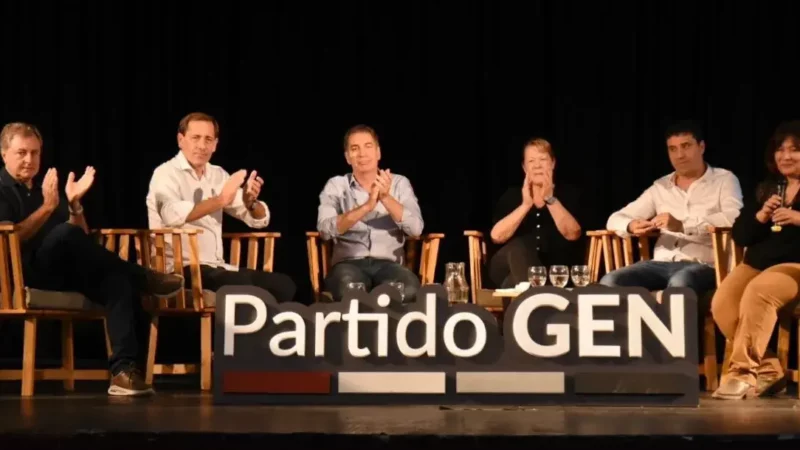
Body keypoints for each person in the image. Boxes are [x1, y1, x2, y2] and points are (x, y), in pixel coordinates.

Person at [0, 122, 184, 396]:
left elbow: (82, 238)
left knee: (116, 281)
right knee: (64, 232)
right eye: (21, 153)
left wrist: (74, 205)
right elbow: (9, 239)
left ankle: (123, 372)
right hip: (20, 273)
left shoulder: (45, 188)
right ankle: (143, 277)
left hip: (63, 269)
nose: (29, 160)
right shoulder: (3, 189)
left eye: (35, 153)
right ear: (4, 153)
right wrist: (48, 208)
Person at [146, 112, 296, 303]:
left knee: (284, 285)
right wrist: (220, 200)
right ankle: (238, 331)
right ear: (181, 140)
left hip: (216, 267)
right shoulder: (165, 174)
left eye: (208, 139)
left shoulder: (217, 174)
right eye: (196, 138)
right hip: (179, 270)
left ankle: (256, 331)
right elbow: (170, 214)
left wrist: (251, 203)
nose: (202, 145)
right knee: (245, 286)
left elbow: (256, 219)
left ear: (215, 144)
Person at [599, 121, 744, 302]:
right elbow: (615, 218)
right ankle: (626, 331)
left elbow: (734, 216)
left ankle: (680, 331)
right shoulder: (661, 186)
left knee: (680, 282)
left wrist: (683, 225)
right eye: (673, 149)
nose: (680, 155)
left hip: (705, 264)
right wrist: (631, 225)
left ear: (701, 147)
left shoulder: (724, 179)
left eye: (686, 146)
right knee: (610, 281)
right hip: (660, 264)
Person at [710, 120, 800, 400]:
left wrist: (798, 218)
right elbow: (741, 235)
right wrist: (760, 215)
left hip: (794, 267)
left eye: (795, 150)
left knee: (759, 291)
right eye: (780, 150)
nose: (785, 156)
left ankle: (742, 374)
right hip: (757, 264)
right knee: (722, 304)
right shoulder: (769, 187)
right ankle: (770, 370)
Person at [317, 124, 424, 302]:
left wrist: (385, 197)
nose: (362, 154)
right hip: (348, 264)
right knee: (348, 289)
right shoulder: (336, 185)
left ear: (378, 153)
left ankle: (385, 326)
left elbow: (416, 229)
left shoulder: (399, 183)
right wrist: (366, 206)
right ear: (347, 157)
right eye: (354, 148)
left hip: (389, 265)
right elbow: (325, 230)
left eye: (368, 146)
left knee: (408, 288)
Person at [488, 138, 584, 288]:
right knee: (519, 247)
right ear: (524, 167)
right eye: (531, 161)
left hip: (555, 273)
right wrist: (526, 205)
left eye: (543, 159)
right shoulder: (512, 195)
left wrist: (550, 199)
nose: (537, 165)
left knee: (512, 283)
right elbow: (496, 237)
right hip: (505, 265)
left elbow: (573, 234)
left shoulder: (569, 194)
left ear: (553, 163)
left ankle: (529, 299)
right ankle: (539, 300)